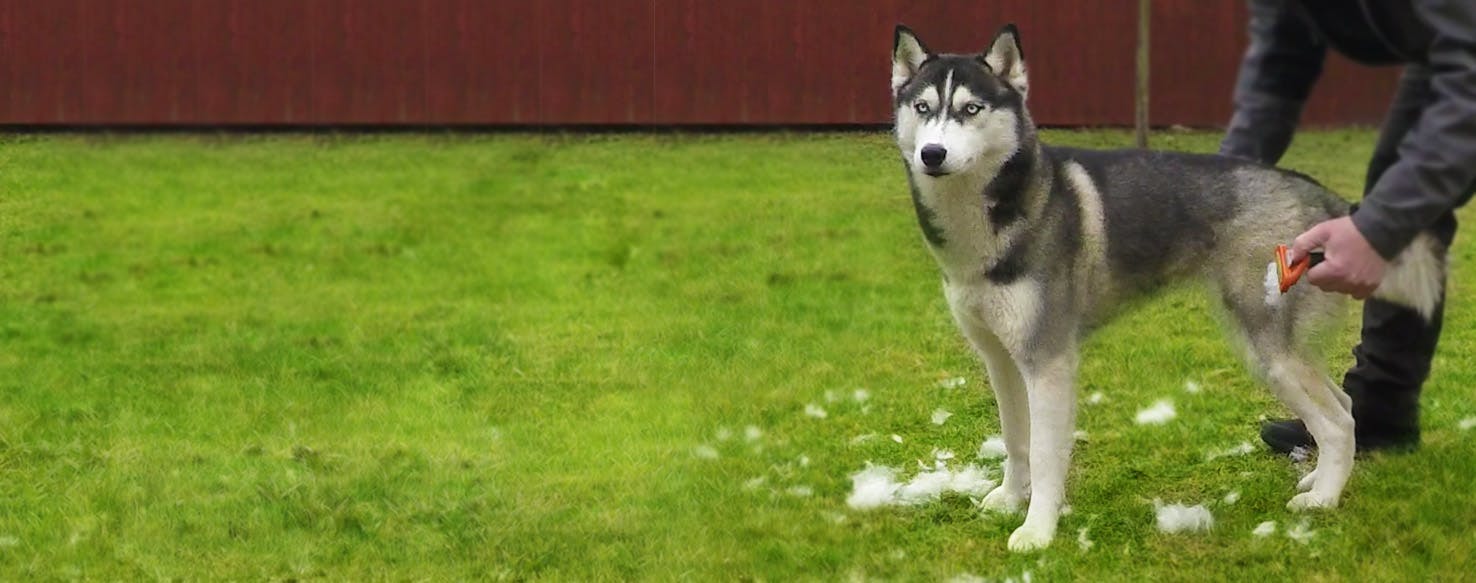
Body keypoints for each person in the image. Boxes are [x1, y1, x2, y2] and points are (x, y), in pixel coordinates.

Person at [1219, 0, 1476, 453]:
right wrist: (1216, 193)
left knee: (1399, 204)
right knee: (1400, 184)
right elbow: (1279, 65)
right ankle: (1381, 410)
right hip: (1447, 55)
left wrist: (1377, 229)